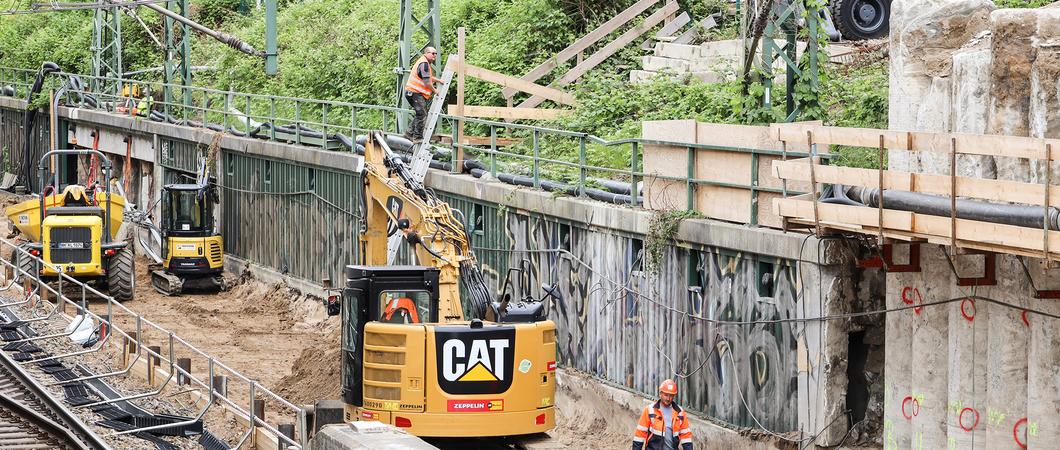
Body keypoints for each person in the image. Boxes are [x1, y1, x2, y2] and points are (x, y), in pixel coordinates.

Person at [632, 379, 693, 450]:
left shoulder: (680, 412)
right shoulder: (650, 410)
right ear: (660, 393)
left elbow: (686, 437)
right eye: (666, 395)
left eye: (671, 395)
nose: (668, 398)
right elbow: (640, 434)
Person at [403, 47, 443, 142]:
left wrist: (439, 80)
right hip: (415, 92)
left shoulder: (423, 63)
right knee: (422, 114)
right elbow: (427, 82)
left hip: (412, 92)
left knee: (420, 113)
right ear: (426, 53)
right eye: (433, 53)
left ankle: (409, 133)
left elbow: (427, 77)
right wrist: (435, 91)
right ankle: (417, 137)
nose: (435, 56)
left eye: (436, 53)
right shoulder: (424, 64)